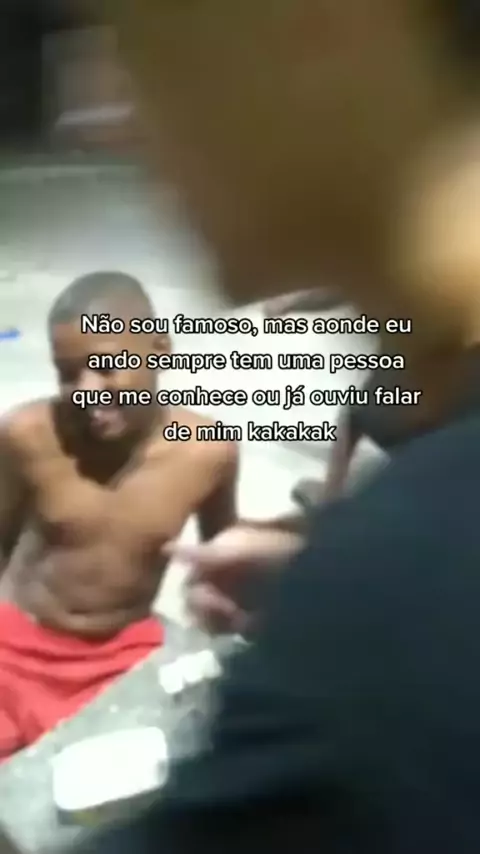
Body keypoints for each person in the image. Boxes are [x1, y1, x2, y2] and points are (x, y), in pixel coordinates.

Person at [63, 0, 480, 851]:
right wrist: (330, 557)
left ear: (321, 27)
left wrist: (359, 590)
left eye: (139, 43)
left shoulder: (393, 606)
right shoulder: (408, 547)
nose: (107, 117)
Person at [0, 271, 239, 760]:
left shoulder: (208, 452)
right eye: (68, 373)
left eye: (107, 367)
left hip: (118, 656)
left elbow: (225, 559)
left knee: (107, 781)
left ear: (160, 350)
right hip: (15, 645)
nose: (86, 391)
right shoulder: (27, 436)